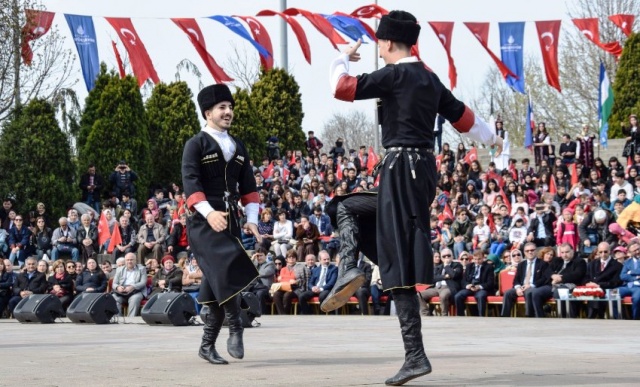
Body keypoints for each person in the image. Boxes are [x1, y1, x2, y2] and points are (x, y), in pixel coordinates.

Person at [327, 10, 503, 385]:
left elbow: (340, 88)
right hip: (418, 172)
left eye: (380, 43)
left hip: (400, 170)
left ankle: (414, 353)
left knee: (397, 260)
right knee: (345, 207)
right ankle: (350, 267)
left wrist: (342, 55)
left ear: (387, 42)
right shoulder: (429, 78)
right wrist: (493, 139)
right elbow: (464, 118)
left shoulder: (395, 74)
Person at [182, 84, 261, 365]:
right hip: (204, 224)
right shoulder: (196, 144)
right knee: (226, 267)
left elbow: (249, 187)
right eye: (222, 108)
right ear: (208, 113)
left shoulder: (238, 145)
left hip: (231, 220)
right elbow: (190, 184)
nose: (228, 112)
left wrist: (252, 220)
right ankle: (237, 326)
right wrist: (208, 212)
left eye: (230, 107)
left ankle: (206, 346)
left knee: (216, 283)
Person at [500, 242, 550, 317]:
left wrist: (531, 285)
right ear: (524, 252)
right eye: (527, 251)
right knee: (508, 293)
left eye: (532, 250)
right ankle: (504, 316)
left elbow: (544, 279)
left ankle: (529, 316)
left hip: (534, 287)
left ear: (536, 251)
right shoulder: (521, 265)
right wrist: (517, 288)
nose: (530, 252)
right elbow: (516, 280)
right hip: (522, 287)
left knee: (528, 291)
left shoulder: (543, 264)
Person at [417, 248, 462, 316]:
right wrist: (445, 276)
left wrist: (446, 266)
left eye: (448, 255)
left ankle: (444, 315)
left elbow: (454, 275)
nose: (446, 257)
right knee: (419, 295)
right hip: (436, 287)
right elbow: (433, 278)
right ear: (441, 258)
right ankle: (426, 314)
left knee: (443, 296)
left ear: (452, 256)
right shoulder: (438, 267)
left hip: (448, 287)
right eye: (444, 256)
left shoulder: (457, 265)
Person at [585, 242, 622, 319]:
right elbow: (586, 277)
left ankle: (594, 317)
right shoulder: (592, 264)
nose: (603, 254)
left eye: (605, 251)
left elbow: (616, 282)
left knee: (598, 293)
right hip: (592, 288)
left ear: (610, 251)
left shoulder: (617, 265)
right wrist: (588, 283)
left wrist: (599, 285)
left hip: (607, 289)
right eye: (600, 252)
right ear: (597, 252)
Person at [111, 253, 147, 317]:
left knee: (134, 299)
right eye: (127, 260)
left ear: (136, 260)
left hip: (136, 291)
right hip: (122, 291)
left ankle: (130, 320)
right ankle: (119, 319)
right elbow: (114, 283)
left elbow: (143, 282)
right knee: (114, 298)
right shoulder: (119, 269)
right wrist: (118, 287)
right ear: (125, 261)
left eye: (131, 260)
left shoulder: (142, 269)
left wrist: (133, 286)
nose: (129, 261)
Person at [618, 241, 640, 320]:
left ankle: (635, 319)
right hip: (627, 286)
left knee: (637, 298)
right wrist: (636, 277)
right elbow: (622, 276)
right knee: (613, 294)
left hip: (638, 287)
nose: (637, 252)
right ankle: (617, 317)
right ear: (630, 252)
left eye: (638, 249)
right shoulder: (627, 262)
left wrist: (631, 272)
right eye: (634, 251)